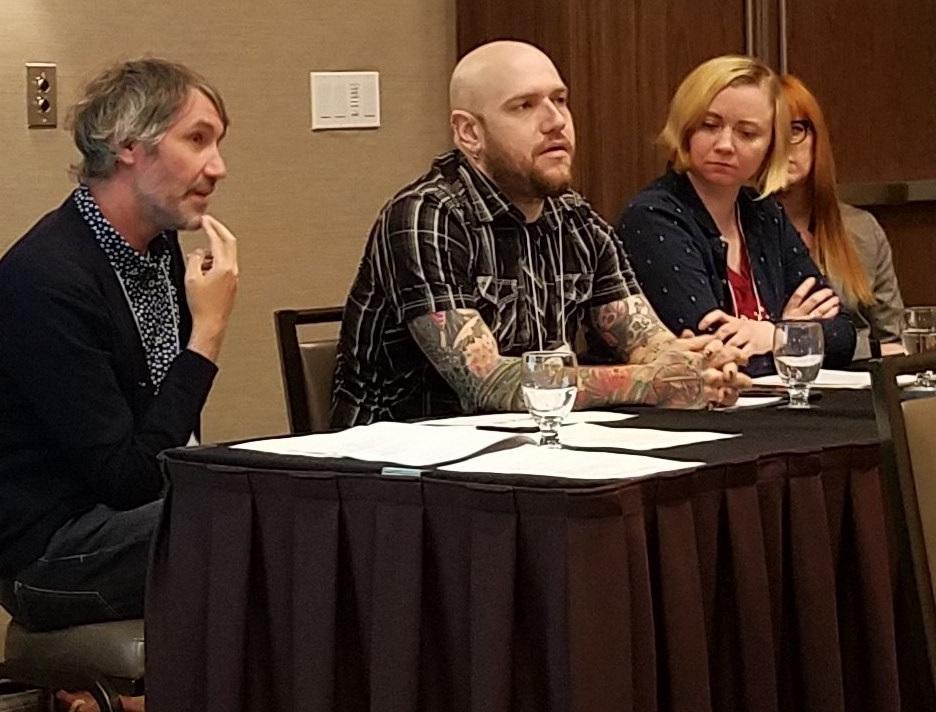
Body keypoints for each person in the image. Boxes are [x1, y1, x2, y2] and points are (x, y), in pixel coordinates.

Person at [331, 40, 749, 428]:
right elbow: (485, 383)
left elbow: (647, 342)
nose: (555, 122)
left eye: (560, 100)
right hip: (400, 469)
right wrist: (652, 383)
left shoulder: (576, 220)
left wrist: (701, 361)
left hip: (533, 449)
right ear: (469, 133)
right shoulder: (427, 216)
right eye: (524, 106)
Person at [0, 57, 238, 646]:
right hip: (49, 555)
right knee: (254, 521)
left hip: (132, 520)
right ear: (131, 144)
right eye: (197, 140)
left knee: (288, 497)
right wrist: (205, 337)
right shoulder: (46, 278)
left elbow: (165, 445)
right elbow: (127, 479)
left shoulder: (156, 254)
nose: (219, 168)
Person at [616, 55, 855, 375]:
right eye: (709, 125)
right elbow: (712, 355)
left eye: (747, 133)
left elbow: (843, 336)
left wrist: (771, 335)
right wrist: (791, 334)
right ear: (685, 128)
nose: (725, 145)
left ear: (772, 145)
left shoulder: (764, 212)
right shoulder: (652, 218)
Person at [777, 74, 904, 359]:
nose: (783, 146)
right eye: (770, 134)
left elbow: (895, 342)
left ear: (816, 138)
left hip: (861, 389)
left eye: (795, 130)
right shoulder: (734, 231)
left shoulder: (861, 229)